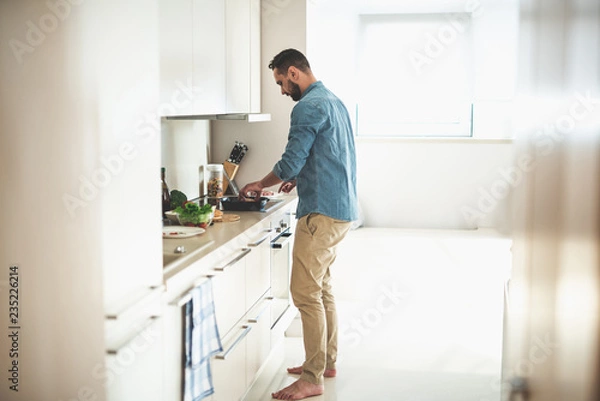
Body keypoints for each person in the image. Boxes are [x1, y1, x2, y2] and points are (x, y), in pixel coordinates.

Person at [239, 48, 358, 400]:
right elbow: (329, 154)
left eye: (280, 82)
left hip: (321, 212)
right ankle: (326, 362)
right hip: (340, 207)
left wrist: (260, 184)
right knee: (321, 290)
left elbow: (291, 160)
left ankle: (312, 377)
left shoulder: (307, 106)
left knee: (305, 293)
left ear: (293, 72)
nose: (281, 90)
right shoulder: (332, 100)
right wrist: (300, 177)